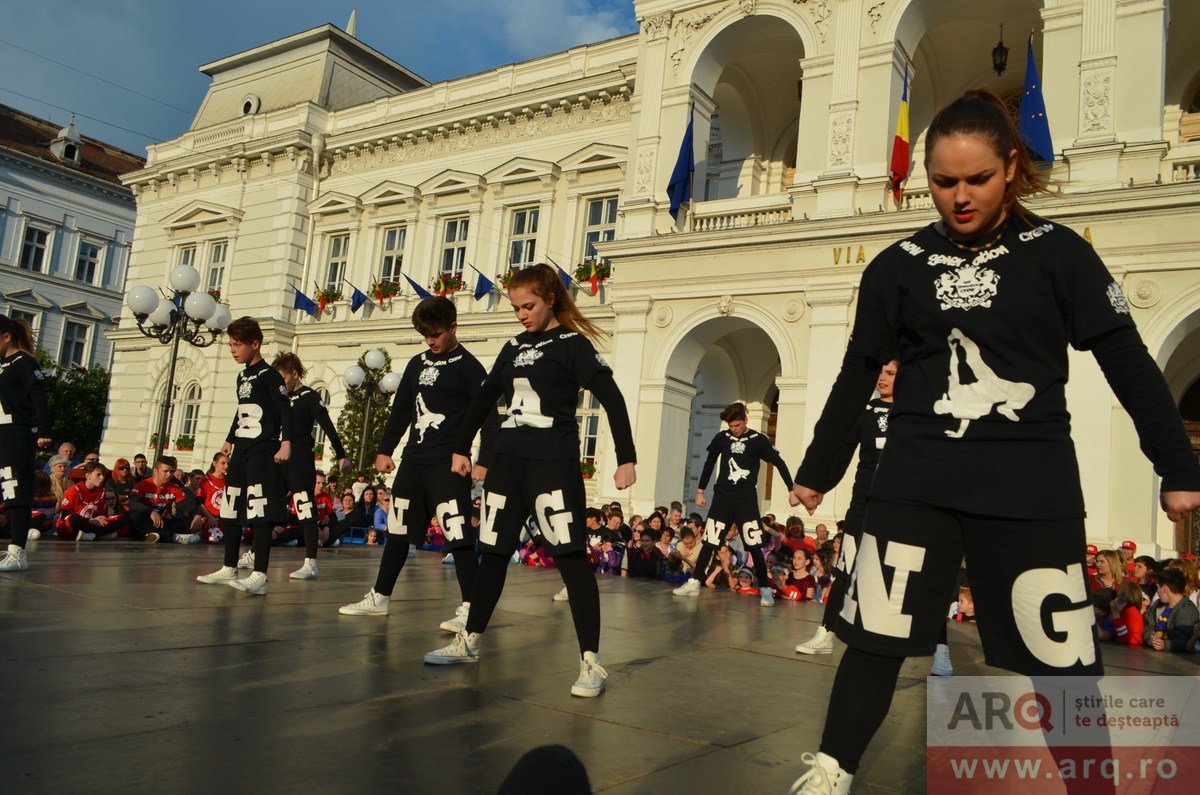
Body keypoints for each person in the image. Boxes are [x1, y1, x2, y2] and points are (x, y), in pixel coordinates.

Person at [786, 88, 1200, 792]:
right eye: (942, 181)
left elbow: (1126, 357)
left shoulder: (1059, 254)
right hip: (916, 482)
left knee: (1062, 660)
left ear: (1010, 166)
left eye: (977, 178)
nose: (960, 197)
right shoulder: (897, 264)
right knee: (874, 636)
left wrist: (1177, 462)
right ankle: (832, 769)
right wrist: (818, 468)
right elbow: (858, 369)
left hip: (1030, 485)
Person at [423, 263, 637, 699]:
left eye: (529, 306)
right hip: (507, 464)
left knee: (570, 557)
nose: (521, 314)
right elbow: (484, 400)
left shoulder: (573, 345)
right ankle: (471, 640)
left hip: (551, 464)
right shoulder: (513, 346)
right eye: (516, 307)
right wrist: (461, 448)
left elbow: (612, 398)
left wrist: (626, 458)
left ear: (550, 299)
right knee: (493, 552)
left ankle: (591, 660)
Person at [340, 297, 497, 632]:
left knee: (458, 534)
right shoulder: (416, 364)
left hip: (449, 464)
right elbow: (401, 412)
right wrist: (385, 450)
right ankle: (380, 596)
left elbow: (489, 417)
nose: (430, 340)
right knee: (398, 531)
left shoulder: (469, 367)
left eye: (436, 334)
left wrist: (483, 461)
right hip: (413, 461)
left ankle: (472, 606)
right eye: (425, 334)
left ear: (453, 328)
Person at [196, 317, 292, 595]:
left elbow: (285, 410)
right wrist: (229, 439)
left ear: (255, 344)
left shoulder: (270, 376)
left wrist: (286, 443)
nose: (233, 350)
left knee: (259, 509)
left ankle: (260, 574)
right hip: (241, 450)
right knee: (231, 505)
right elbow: (241, 412)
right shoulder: (242, 376)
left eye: (237, 345)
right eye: (231, 345)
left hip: (263, 449)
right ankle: (229, 566)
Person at [673, 401, 797, 607]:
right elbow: (709, 462)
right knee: (710, 540)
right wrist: (700, 491)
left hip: (746, 499)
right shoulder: (722, 438)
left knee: (754, 544)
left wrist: (791, 489)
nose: (734, 429)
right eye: (731, 426)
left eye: (737, 425)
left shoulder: (758, 440)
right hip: (722, 497)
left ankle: (765, 589)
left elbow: (779, 462)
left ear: (745, 420)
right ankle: (694, 582)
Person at [272, 352, 347, 580]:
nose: (280, 384)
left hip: (300, 457)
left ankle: (311, 562)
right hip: (279, 457)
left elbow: (327, 425)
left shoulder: (309, 396)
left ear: (295, 374)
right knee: (269, 505)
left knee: (305, 506)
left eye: (283, 378)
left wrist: (341, 455)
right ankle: (256, 552)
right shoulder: (280, 397)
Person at [0, 316, 51, 571]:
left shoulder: (24, 362)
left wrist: (43, 430)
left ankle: (17, 552)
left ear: (6, 337)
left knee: (15, 489)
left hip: (17, 434)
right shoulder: (3, 364)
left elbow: (38, 397)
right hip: (2, 432)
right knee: (6, 489)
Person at [55, 462, 129, 540]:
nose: (102, 478)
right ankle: (98, 535)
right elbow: (64, 515)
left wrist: (101, 518)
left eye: (103, 475)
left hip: (90, 525)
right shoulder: (74, 490)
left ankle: (92, 536)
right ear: (87, 476)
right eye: (98, 475)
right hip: (71, 526)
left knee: (123, 518)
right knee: (74, 518)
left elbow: (100, 514)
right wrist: (89, 520)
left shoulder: (102, 492)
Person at [129, 456, 195, 543]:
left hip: (163, 520)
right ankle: (174, 537)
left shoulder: (174, 487)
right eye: (165, 471)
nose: (169, 474)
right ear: (155, 471)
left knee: (188, 522)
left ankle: (153, 536)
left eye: (171, 471)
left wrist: (197, 516)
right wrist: (151, 512)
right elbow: (133, 503)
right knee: (135, 518)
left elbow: (186, 505)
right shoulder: (142, 485)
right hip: (146, 519)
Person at [1144, 568, 1200, 651]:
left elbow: (1185, 641)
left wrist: (1165, 645)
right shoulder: (1157, 605)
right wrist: (1150, 637)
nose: (1157, 591)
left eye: (1158, 587)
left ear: (1164, 589)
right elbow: (1147, 626)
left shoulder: (1187, 611)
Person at [190, 452, 229, 542]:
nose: (226, 466)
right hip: (210, 518)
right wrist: (209, 517)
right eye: (223, 463)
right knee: (215, 537)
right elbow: (199, 502)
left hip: (225, 519)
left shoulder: (229, 480)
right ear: (215, 463)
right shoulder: (206, 480)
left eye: (228, 463)